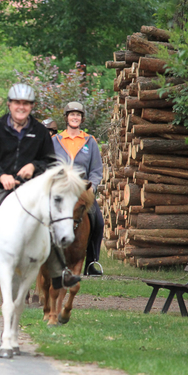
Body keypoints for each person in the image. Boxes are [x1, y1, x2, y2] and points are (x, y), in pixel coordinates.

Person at [0, 83, 81, 291]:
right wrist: (1, 176)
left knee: (51, 216)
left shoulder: (39, 131)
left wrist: (34, 166)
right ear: (10, 104)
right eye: (17, 103)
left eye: (26, 104)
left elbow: (49, 162)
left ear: (31, 106)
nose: (21, 107)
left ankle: (60, 271)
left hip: (30, 188)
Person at [52, 101, 104, 276]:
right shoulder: (55, 141)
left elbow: (96, 170)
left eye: (78, 115)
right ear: (66, 117)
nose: (75, 117)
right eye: (72, 114)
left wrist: (92, 187)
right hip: (60, 189)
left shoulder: (90, 141)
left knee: (97, 220)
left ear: (82, 119)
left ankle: (91, 262)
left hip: (82, 190)